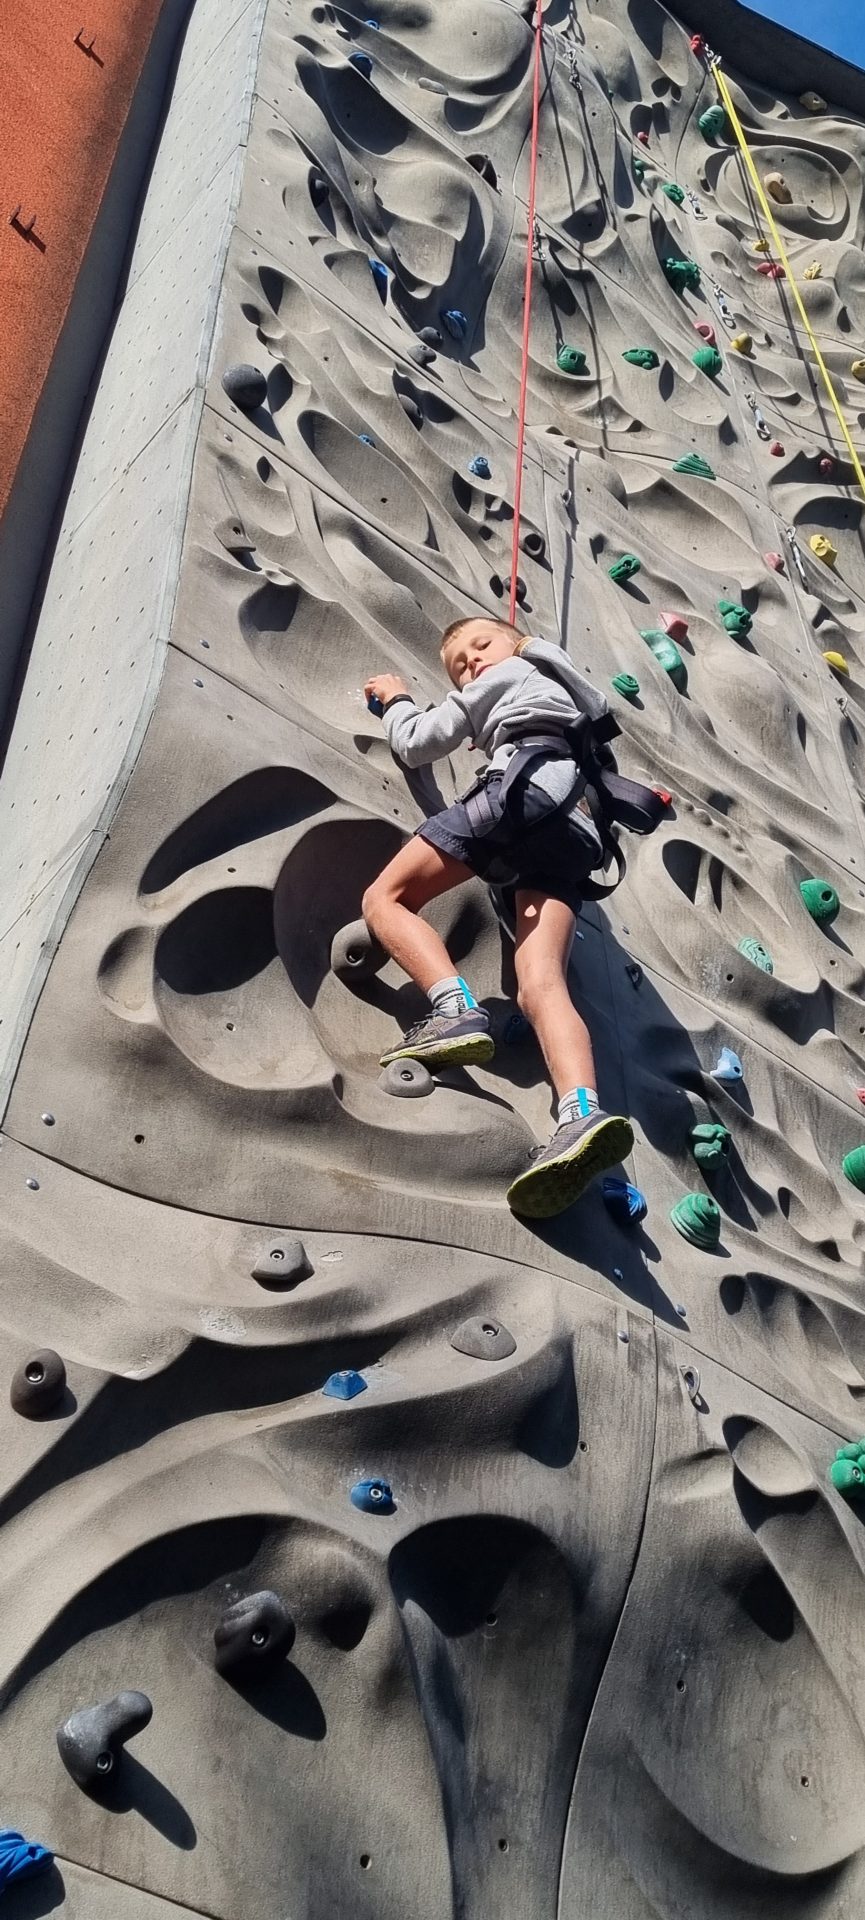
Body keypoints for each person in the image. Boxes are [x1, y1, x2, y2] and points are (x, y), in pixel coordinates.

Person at [362, 614, 634, 1218]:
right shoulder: (567, 693)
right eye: (460, 665)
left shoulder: (511, 672)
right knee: (541, 983)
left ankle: (453, 1009)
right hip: (574, 829)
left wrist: (397, 701)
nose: (473, 663)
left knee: (385, 899)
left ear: (518, 643)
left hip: (520, 796)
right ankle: (580, 1114)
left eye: (481, 645)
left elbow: (418, 742)